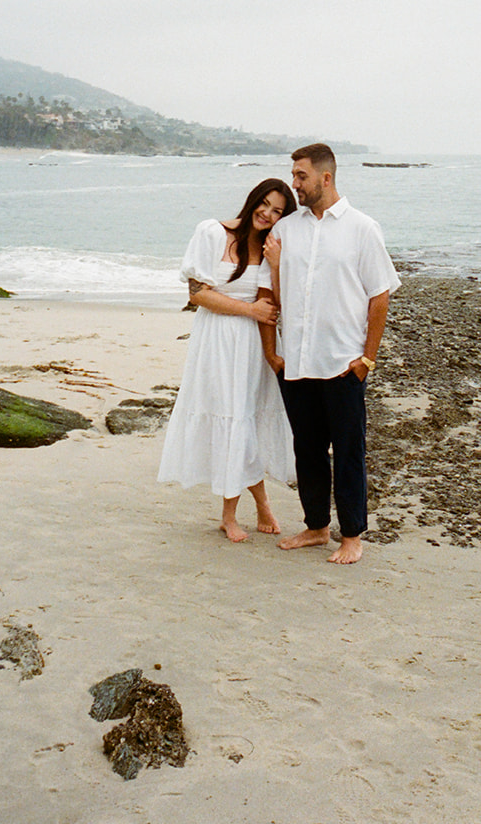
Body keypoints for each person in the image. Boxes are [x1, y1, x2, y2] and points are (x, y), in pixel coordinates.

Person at [257, 143, 400, 564]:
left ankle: (352, 535)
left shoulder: (362, 228)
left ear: (326, 177)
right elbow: (270, 293)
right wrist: (272, 353)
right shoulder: (286, 230)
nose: (294, 183)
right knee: (308, 448)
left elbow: (380, 296)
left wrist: (367, 358)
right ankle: (317, 527)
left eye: (300, 176)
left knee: (349, 450)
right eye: (294, 175)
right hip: (296, 360)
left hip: (343, 364)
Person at [157, 178, 297, 542]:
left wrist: (278, 265)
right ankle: (231, 514)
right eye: (265, 204)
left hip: (251, 345)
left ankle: (257, 504)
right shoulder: (212, 232)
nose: (268, 214)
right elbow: (198, 294)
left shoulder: (269, 247)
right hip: (216, 342)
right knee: (231, 420)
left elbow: (275, 302)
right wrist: (249, 309)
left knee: (245, 422)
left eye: (278, 211)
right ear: (253, 201)